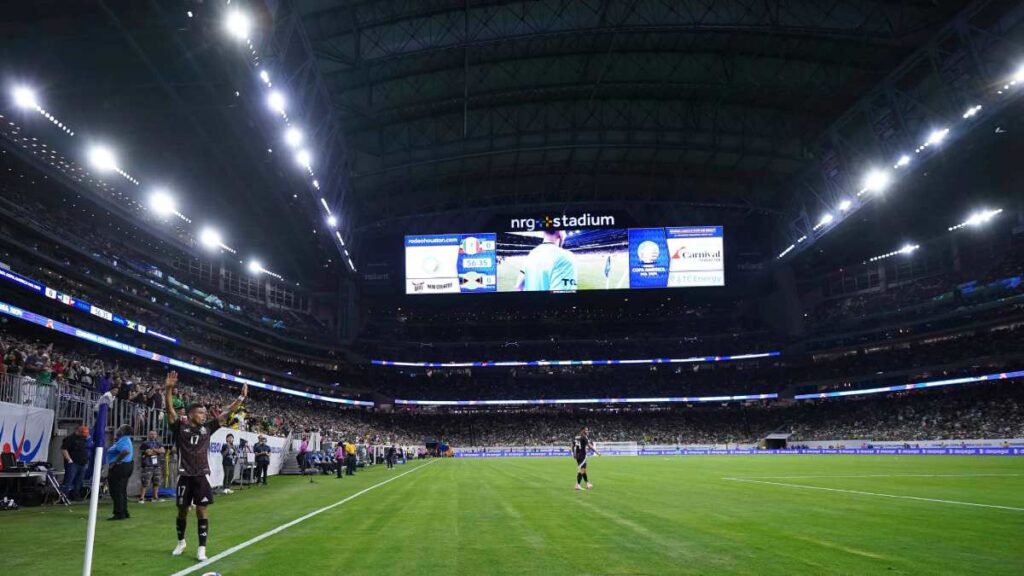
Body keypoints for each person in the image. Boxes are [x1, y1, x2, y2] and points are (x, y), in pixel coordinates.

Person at [165, 371, 247, 562]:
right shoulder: (180, 428)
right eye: (200, 412)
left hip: (202, 475)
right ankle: (181, 542)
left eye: (204, 413)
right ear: (192, 413)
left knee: (202, 510)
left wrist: (241, 397)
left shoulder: (208, 428)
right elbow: (170, 410)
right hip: (184, 475)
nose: (204, 415)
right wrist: (168, 389)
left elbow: (227, 413)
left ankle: (202, 548)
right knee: (182, 510)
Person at [106, 424, 134, 520]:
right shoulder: (124, 439)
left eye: (119, 428)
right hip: (127, 466)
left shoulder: (123, 441)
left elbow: (125, 451)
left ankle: (119, 513)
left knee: (116, 491)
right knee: (122, 491)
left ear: (122, 431)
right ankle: (124, 512)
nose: (118, 429)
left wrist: (115, 462)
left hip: (120, 467)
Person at [60, 425, 89, 500]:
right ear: (78, 432)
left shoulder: (83, 438)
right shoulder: (70, 438)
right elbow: (64, 449)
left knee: (79, 481)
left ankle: (75, 496)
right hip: (73, 463)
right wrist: (69, 460)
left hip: (82, 463)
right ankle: (64, 497)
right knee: (68, 480)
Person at [139, 429, 165, 503]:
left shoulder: (159, 443)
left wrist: (153, 449)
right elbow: (148, 453)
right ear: (148, 435)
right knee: (145, 482)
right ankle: (141, 498)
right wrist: (157, 451)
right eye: (151, 434)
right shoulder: (145, 443)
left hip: (157, 465)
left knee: (156, 482)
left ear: (156, 435)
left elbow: (163, 451)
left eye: (154, 434)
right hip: (148, 465)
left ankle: (155, 497)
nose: (153, 435)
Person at [571, 426, 599, 491]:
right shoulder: (584, 437)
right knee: (582, 470)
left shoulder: (576, 437)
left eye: (587, 430)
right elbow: (589, 445)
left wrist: (573, 453)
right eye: (586, 430)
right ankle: (577, 485)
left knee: (584, 470)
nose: (587, 431)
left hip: (577, 455)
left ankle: (587, 483)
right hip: (582, 455)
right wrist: (596, 452)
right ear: (582, 430)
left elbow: (572, 445)